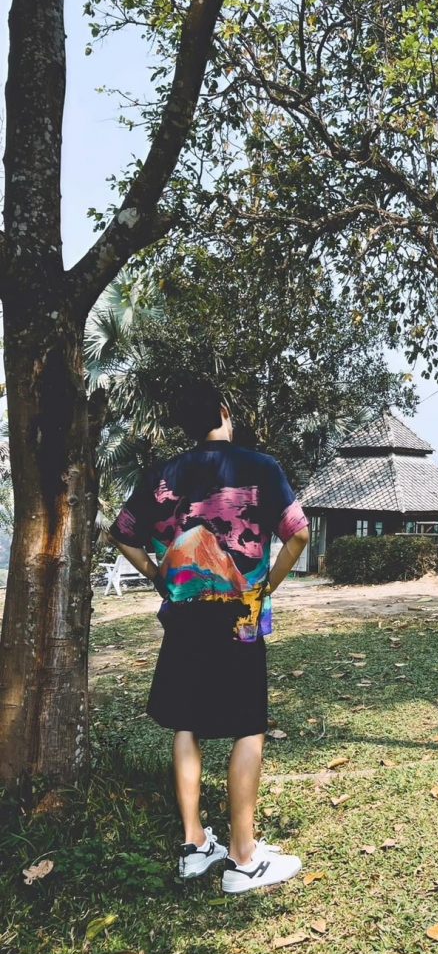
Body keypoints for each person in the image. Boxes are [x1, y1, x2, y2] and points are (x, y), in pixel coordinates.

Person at [109, 380, 310, 894]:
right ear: (224, 411)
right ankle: (244, 858)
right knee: (248, 726)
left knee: (187, 722)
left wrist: (159, 573)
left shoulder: (163, 475)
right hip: (238, 620)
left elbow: (122, 532)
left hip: (182, 619)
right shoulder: (262, 468)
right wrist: (265, 585)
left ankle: (195, 845)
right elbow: (299, 533)